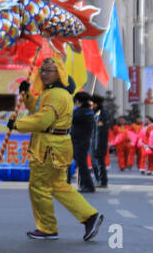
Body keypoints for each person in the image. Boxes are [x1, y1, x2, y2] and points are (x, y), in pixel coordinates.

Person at [11, 57, 104, 241]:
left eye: (49, 71)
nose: (44, 74)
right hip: (56, 144)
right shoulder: (52, 92)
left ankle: (47, 228)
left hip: (48, 146)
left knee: (38, 186)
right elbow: (37, 109)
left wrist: (17, 124)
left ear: (59, 73)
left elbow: (42, 120)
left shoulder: (55, 94)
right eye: (42, 70)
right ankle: (89, 216)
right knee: (58, 185)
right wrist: (27, 95)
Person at [71, 92, 98, 194]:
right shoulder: (86, 111)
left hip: (81, 141)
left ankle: (89, 186)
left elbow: (71, 118)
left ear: (78, 101)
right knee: (80, 164)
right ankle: (84, 184)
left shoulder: (83, 112)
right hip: (80, 141)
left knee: (82, 165)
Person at [91, 96, 110, 188]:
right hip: (94, 142)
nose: (90, 105)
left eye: (91, 104)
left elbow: (99, 132)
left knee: (99, 162)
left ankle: (102, 181)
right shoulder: (96, 113)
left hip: (98, 143)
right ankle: (97, 179)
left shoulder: (101, 114)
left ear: (96, 104)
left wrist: (97, 145)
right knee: (94, 162)